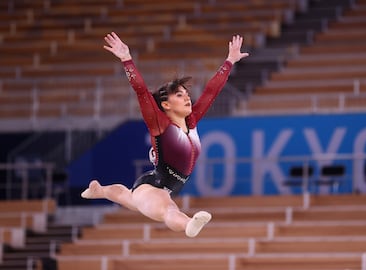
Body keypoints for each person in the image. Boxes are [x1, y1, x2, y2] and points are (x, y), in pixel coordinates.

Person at [81, 32, 249, 237]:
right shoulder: (159, 124)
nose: (187, 98)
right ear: (166, 105)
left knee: (127, 196)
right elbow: (141, 91)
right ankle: (189, 224)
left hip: (159, 186)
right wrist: (127, 59)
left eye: (187, 94)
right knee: (168, 209)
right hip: (152, 188)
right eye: (180, 95)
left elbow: (211, 92)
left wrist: (230, 61)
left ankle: (100, 191)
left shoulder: (192, 121)